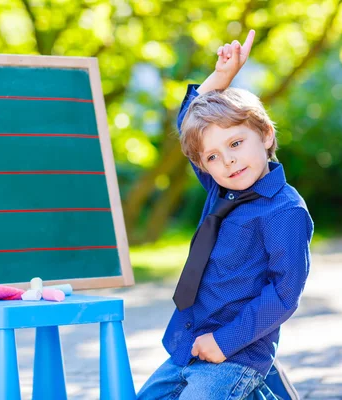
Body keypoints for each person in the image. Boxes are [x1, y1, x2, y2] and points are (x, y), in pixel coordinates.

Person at [136, 29, 314, 400]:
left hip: (237, 353)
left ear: (265, 135)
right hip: (190, 343)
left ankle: (260, 387)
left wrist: (224, 342)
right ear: (203, 165)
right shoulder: (222, 188)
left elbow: (284, 293)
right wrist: (220, 78)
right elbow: (189, 122)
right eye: (212, 157)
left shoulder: (285, 211)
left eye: (235, 143)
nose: (228, 160)